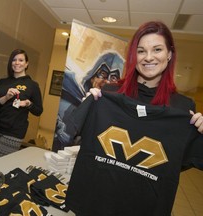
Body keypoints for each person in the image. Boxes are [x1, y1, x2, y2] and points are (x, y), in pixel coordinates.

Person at [65, 21, 203, 215]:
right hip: (96, 203)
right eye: (141, 51)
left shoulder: (182, 108)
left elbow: (178, 161)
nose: (148, 57)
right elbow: (73, 131)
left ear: (169, 54)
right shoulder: (108, 93)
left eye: (157, 49)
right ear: (133, 55)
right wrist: (88, 106)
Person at [0, 49, 43, 159]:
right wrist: (6, 97)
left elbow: (38, 111)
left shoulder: (32, 85)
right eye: (14, 60)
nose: (17, 63)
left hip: (13, 133)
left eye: (21, 60)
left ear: (26, 64)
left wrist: (28, 103)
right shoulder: (2, 82)